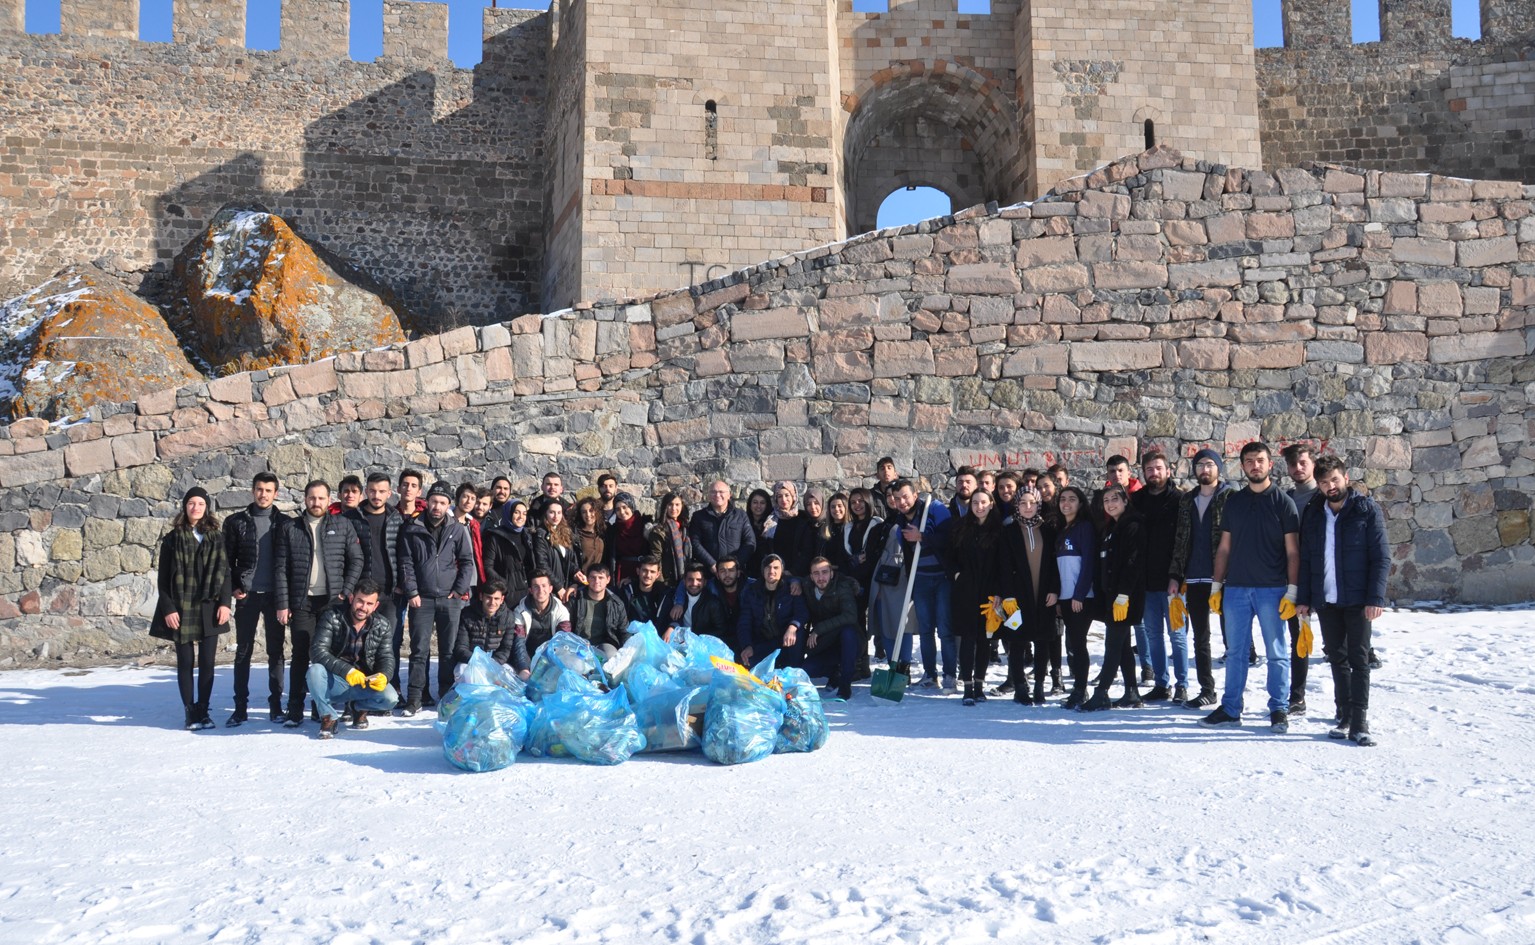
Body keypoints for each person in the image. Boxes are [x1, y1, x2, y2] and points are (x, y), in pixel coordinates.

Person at [1202, 441, 1301, 734]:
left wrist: (1292, 590)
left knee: (1277, 652)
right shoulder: (1234, 501)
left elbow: (1293, 552)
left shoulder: (1284, 503)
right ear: (1242, 466)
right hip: (1236, 590)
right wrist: (1216, 586)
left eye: (1260, 460)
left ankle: (1279, 708)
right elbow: (1224, 548)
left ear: (1270, 464)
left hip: (1272, 590)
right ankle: (1231, 708)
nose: (1254, 466)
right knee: (1235, 652)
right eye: (1249, 461)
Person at [1296, 455, 1388, 746]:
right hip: (1327, 600)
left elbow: (1381, 557)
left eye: (1335, 480)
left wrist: (1375, 597)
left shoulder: (1366, 510)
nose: (1330, 486)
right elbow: (1308, 558)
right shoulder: (1314, 514)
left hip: (1359, 599)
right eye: (1324, 482)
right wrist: (1305, 598)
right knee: (1337, 657)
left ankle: (1360, 722)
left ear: (1346, 478)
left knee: (1359, 660)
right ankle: (1345, 716)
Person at [274, 480, 363, 727]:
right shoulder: (290, 527)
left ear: (328, 499)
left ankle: (320, 707)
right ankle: (294, 709)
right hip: (302, 602)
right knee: (301, 654)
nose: (316, 503)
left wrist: (346, 592)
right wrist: (283, 603)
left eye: (321, 498)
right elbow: (281, 568)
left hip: (333, 602)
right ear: (305, 499)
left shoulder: (342, 524)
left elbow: (356, 560)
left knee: (329, 657)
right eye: (312, 498)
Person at [151, 486, 234, 731]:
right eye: (191, 503)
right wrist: (168, 609)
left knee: (208, 662)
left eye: (200, 503)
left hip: (210, 606)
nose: (195, 508)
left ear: (206, 507)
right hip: (181, 606)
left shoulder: (216, 537)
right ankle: (190, 711)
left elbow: (226, 574)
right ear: (185, 506)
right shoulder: (172, 539)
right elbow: (163, 579)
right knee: (186, 662)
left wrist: (225, 604)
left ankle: (204, 710)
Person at [397, 481, 477, 715]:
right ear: (427, 502)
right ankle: (415, 697)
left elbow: (466, 561)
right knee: (419, 649)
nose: (437, 506)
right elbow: (406, 563)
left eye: (442, 503)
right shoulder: (412, 527)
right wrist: (411, 591)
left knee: (448, 650)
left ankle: (445, 695)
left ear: (448, 505)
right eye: (434, 501)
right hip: (421, 599)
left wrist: (459, 589)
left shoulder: (457, 529)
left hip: (450, 599)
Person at [1167, 448, 1235, 709]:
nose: (1204, 470)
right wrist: (1175, 574)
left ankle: (1233, 692)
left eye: (1210, 465)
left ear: (1219, 468)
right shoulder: (1187, 500)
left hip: (1225, 577)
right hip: (1195, 577)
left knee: (1233, 638)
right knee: (1200, 637)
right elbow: (1179, 540)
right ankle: (1207, 689)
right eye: (1200, 465)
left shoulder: (1231, 497)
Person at [224, 472, 291, 725]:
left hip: (275, 596)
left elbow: (290, 563)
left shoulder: (285, 523)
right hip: (247, 595)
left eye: (268, 490)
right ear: (253, 491)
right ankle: (240, 708)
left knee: (276, 652)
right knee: (243, 651)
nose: (263, 494)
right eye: (259, 489)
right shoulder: (236, 522)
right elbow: (227, 560)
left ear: (276, 494)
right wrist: (233, 585)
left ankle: (276, 705)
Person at [1080, 486, 1147, 711]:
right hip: (1113, 596)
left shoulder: (1133, 526)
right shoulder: (1111, 527)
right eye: (1106, 500)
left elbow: (1133, 563)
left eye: (1115, 499)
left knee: (1113, 644)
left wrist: (1123, 595)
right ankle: (1131, 692)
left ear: (1125, 501)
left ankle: (1102, 693)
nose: (1110, 504)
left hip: (1125, 597)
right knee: (1124, 645)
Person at [305, 579, 399, 738]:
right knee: (315, 671)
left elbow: (387, 657)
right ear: (351, 599)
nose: (363, 607)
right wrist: (347, 671)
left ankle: (358, 707)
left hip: (364, 681)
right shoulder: (331, 616)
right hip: (336, 681)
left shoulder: (383, 625)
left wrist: (384, 675)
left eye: (369, 603)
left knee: (391, 698)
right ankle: (328, 717)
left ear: (375, 606)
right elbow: (317, 651)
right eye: (360, 601)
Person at [886, 479, 955, 690]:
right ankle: (930, 674)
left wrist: (922, 536)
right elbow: (908, 554)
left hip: (943, 578)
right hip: (921, 579)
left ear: (915, 494)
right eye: (897, 499)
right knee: (925, 629)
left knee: (945, 628)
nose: (902, 502)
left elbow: (949, 537)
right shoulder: (899, 523)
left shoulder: (935, 509)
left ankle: (950, 674)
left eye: (905, 496)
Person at [1132, 449, 1188, 703]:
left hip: (1173, 580)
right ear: (1143, 473)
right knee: (1153, 634)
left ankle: (1182, 685)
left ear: (1168, 471)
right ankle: (1161, 684)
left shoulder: (1180, 500)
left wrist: (1177, 575)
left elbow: (1183, 541)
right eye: (1149, 470)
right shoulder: (1137, 501)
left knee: (1177, 634)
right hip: (1145, 580)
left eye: (1158, 469)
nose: (1154, 473)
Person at [345, 472, 405, 702]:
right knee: (357, 644)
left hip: (389, 593)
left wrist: (401, 584)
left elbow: (402, 554)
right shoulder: (352, 517)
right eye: (372, 490)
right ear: (365, 491)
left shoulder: (396, 518)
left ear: (389, 493)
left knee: (389, 642)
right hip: (360, 594)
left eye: (381, 491)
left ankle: (389, 687)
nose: (376, 495)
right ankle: (359, 693)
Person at [1001, 489, 1059, 705]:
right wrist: (1007, 595)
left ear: (1038, 504)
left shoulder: (1048, 531)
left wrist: (1054, 589)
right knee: (1017, 642)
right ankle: (1020, 685)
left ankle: (1039, 685)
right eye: (1023, 502)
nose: (1028, 507)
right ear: (1016, 505)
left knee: (1042, 641)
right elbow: (1004, 567)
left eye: (1032, 502)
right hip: (1018, 595)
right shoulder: (1009, 532)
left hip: (1043, 595)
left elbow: (1054, 564)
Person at [949, 489, 1004, 705]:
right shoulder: (960, 528)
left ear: (991, 504)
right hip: (965, 591)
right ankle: (967, 687)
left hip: (990, 593)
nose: (979, 507)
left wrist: (1000, 591)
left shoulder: (1000, 531)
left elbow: (1004, 564)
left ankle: (980, 684)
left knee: (985, 640)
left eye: (983, 502)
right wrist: (956, 574)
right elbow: (949, 556)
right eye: (975, 503)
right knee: (967, 639)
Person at [1282, 442, 1321, 714]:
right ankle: (1297, 696)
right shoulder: (1284, 498)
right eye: (1293, 464)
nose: (1298, 468)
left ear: (1313, 465)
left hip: (1319, 576)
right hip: (1289, 577)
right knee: (1298, 636)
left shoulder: (1323, 497)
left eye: (1303, 463)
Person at [1053, 486, 1096, 709]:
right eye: (1063, 499)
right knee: (1072, 643)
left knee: (1078, 644)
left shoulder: (1084, 528)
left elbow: (1088, 562)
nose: (1066, 503)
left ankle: (1081, 690)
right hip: (1065, 598)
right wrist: (1062, 599)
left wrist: (1079, 594)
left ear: (1080, 504)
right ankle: (1077, 690)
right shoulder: (1062, 529)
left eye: (1072, 499)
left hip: (1081, 598)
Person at [736, 554, 809, 667]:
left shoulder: (792, 588)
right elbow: (744, 622)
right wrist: (747, 645)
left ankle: (795, 671)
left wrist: (792, 627)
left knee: (798, 632)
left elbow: (802, 613)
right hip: (764, 640)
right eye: (768, 567)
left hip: (786, 640)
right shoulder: (752, 591)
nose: (771, 571)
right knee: (747, 663)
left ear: (782, 571)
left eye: (776, 568)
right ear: (762, 570)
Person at [803, 557, 860, 701]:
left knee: (848, 631)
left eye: (824, 572)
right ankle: (836, 672)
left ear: (831, 573)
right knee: (807, 669)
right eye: (816, 573)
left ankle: (845, 682)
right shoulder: (807, 587)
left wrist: (819, 629)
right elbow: (790, 580)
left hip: (848, 643)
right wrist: (794, 582)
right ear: (811, 576)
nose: (821, 577)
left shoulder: (842, 587)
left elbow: (850, 616)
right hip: (825, 644)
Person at [451, 580, 523, 674]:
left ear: (502, 599)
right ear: (481, 597)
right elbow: (461, 647)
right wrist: (478, 662)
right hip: (472, 662)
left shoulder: (508, 617)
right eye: (488, 597)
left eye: (496, 598)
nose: (492, 602)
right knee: (460, 671)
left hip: (496, 663)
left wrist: (491, 664)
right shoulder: (467, 614)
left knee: (509, 673)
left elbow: (506, 649)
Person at [687, 480, 756, 577]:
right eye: (713, 492)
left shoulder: (740, 516)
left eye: (721, 492)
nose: (717, 495)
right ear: (709, 495)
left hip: (736, 574)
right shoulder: (699, 517)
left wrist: (735, 565)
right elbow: (695, 543)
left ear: (729, 495)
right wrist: (712, 564)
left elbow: (750, 542)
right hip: (709, 573)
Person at [510, 571, 572, 667]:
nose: (540, 590)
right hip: (526, 656)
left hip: (551, 659)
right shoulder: (520, 610)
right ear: (530, 590)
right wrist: (524, 667)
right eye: (536, 586)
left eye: (544, 586)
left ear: (550, 589)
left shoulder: (561, 611)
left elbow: (562, 643)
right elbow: (519, 643)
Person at [569, 563, 631, 658]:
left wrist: (628, 654)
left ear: (608, 579)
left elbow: (624, 631)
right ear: (587, 579)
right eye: (593, 577)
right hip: (579, 645)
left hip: (603, 646)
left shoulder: (616, 603)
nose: (597, 581)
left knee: (611, 656)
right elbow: (566, 626)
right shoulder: (576, 599)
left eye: (601, 578)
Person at [677, 555, 742, 642]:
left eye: (699, 580)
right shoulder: (679, 598)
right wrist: (672, 626)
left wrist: (697, 638)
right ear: (717, 575)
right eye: (690, 579)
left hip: (704, 643)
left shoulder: (713, 602)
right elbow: (670, 619)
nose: (694, 583)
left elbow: (721, 629)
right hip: (680, 642)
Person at [482, 499, 535, 604]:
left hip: (530, 594)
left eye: (524, 513)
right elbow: (488, 566)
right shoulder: (495, 537)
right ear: (508, 513)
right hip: (508, 596)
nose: (521, 517)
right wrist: (505, 585)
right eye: (516, 512)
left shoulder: (527, 535)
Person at [531, 498, 581, 600]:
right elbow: (542, 564)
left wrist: (576, 572)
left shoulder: (564, 532)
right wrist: (558, 587)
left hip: (565, 585)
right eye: (552, 512)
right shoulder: (541, 534)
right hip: (551, 588)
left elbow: (566, 560)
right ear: (545, 514)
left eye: (559, 512)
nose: (556, 516)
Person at [763, 480, 816, 578]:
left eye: (787, 495)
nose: (784, 499)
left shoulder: (803, 519)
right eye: (779, 496)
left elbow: (807, 550)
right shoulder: (770, 520)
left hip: (797, 575)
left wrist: (793, 571)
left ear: (793, 496)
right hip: (774, 575)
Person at [604, 492, 652, 585]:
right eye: (617, 509)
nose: (622, 512)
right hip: (621, 574)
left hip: (643, 572)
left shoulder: (645, 526)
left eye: (624, 507)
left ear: (631, 506)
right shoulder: (613, 530)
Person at [619, 556, 673, 634]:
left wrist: (672, 627)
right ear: (638, 571)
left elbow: (675, 618)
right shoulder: (627, 591)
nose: (648, 575)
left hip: (657, 640)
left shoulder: (665, 594)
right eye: (645, 570)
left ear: (658, 574)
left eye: (652, 572)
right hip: (632, 639)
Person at [649, 492, 692, 588]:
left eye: (677, 505)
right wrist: (660, 584)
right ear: (665, 506)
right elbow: (656, 558)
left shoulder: (686, 528)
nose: (674, 508)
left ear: (682, 506)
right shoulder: (659, 530)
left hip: (686, 579)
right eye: (670, 504)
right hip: (667, 581)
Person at [453, 481, 486, 583]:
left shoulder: (473, 525)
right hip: (453, 582)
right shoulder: (447, 523)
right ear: (458, 498)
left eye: (472, 499)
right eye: (465, 497)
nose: (468, 501)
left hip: (473, 582)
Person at [572, 496, 607, 575]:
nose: (588, 515)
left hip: (599, 579)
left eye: (591, 511)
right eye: (584, 512)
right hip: (582, 579)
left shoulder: (603, 533)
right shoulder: (575, 534)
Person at [743, 487, 774, 574]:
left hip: (768, 568)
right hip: (748, 568)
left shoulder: (773, 523)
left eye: (762, 503)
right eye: (755, 502)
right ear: (750, 504)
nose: (758, 506)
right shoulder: (743, 522)